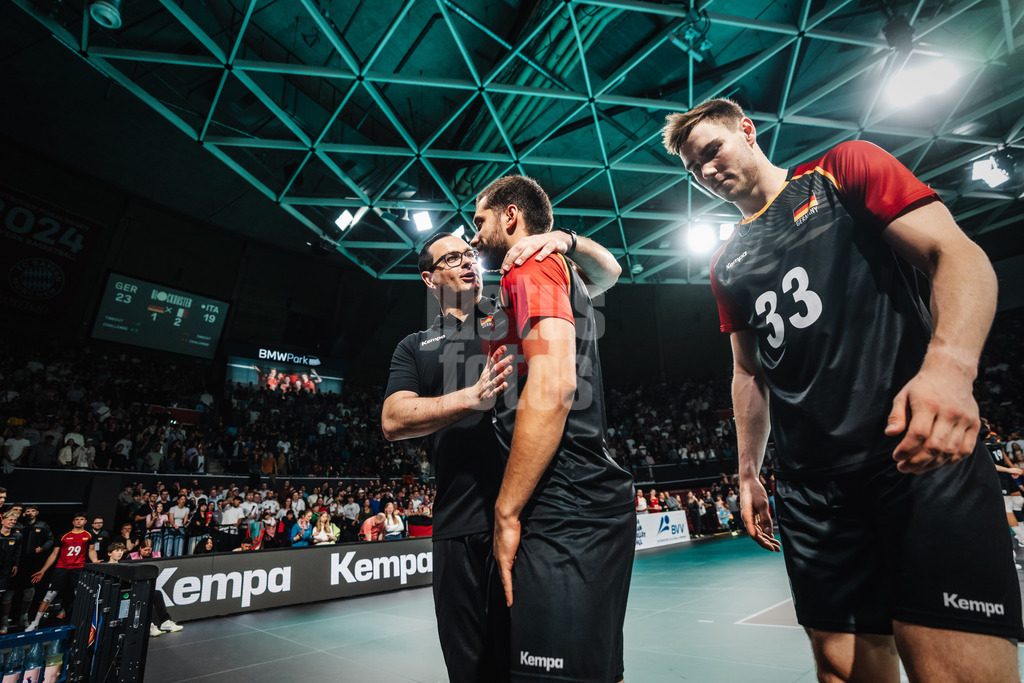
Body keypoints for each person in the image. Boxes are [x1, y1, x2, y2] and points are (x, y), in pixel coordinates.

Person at [661, 97, 1022, 681]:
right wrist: (748, 471)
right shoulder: (725, 262)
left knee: (950, 669)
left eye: (712, 150)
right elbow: (748, 373)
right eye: (691, 168)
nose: (705, 171)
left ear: (748, 132)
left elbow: (956, 255)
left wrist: (949, 368)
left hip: (908, 457)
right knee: (841, 672)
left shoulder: (843, 170)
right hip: (812, 491)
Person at [383, 221, 621, 682]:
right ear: (429, 279)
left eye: (468, 255)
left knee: (532, 666)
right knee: (470, 669)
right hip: (457, 528)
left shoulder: (510, 314)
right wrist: (469, 398)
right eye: (451, 259)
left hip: (527, 523)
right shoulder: (414, 348)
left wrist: (566, 241)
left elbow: (607, 274)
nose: (467, 262)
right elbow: (393, 420)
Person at [469, 174, 635, 681]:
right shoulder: (558, 268)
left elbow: (555, 385)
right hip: (575, 504)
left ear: (510, 216)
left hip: (564, 505)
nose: (474, 237)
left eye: (480, 222)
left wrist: (506, 509)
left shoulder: (530, 263)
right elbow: (610, 272)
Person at [27, 512, 98, 631]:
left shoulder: (89, 535)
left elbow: (91, 550)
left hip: (78, 568)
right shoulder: (64, 535)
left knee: (80, 595)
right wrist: (43, 570)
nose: (79, 521)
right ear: (73, 522)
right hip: (62, 567)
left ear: (85, 521)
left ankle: (86, 623)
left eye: (81, 519)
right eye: (76, 519)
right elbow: (54, 554)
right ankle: (35, 622)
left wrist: (95, 562)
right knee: (50, 595)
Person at [0, 511, 22, 634]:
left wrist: (15, 565)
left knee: (3, 597)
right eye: (10, 520)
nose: (12, 522)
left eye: (14, 521)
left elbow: (17, 552)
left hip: (5, 572)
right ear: (3, 520)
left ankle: (3, 624)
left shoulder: (17, 536)